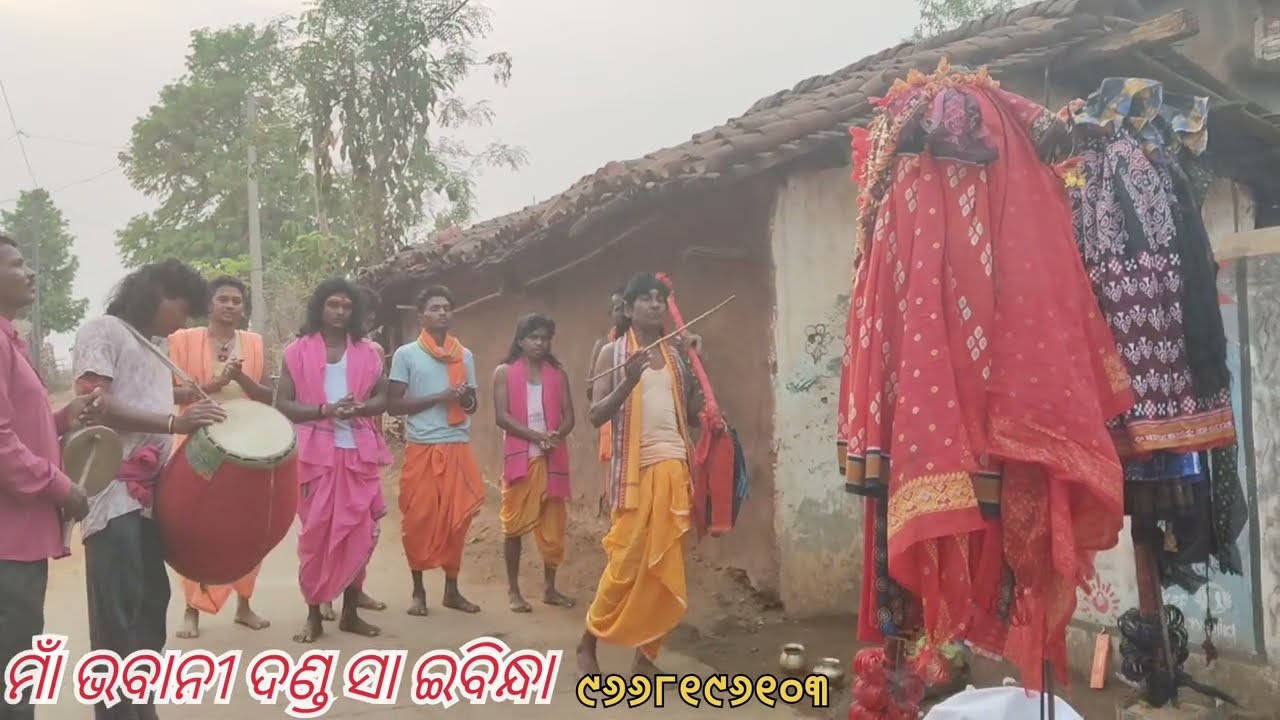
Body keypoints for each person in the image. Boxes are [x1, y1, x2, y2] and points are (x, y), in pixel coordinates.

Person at [71, 259, 226, 720]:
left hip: (149, 499)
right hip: (112, 492)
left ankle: (141, 707)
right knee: (117, 614)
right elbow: (94, 404)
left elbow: (149, 395)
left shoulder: (154, 346)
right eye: (183, 308)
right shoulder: (103, 330)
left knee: (150, 606)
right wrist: (176, 422)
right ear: (158, 293)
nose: (185, 321)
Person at [577, 272, 703, 676]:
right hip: (635, 473)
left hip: (675, 468)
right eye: (645, 299)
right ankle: (588, 643)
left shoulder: (675, 354)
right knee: (626, 565)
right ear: (628, 309)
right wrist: (628, 381)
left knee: (666, 568)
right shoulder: (611, 355)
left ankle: (646, 659)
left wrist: (698, 360)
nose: (654, 304)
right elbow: (596, 415)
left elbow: (694, 410)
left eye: (660, 298)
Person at [0, 234, 101, 719]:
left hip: (16, 542)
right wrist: (64, 487)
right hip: (7, 545)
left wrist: (62, 419)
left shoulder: (10, 340)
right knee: (13, 679)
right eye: (18, 265)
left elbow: (18, 425)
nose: (30, 272)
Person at [273, 278, 391, 644]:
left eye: (346, 306)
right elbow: (283, 403)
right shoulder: (297, 352)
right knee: (315, 537)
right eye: (332, 305)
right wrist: (325, 409)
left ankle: (351, 613)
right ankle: (314, 615)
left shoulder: (370, 353)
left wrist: (362, 407)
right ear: (320, 308)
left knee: (358, 534)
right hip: (314, 458)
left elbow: (383, 396)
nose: (339, 312)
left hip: (358, 454)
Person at [166, 276, 272, 639]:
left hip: (246, 445)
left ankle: (244, 605)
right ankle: (192, 608)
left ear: (243, 309)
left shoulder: (254, 344)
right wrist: (211, 385)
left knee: (248, 528)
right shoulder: (183, 341)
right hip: (198, 445)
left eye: (236, 301)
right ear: (209, 305)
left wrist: (240, 378)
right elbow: (172, 394)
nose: (230, 306)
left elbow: (266, 395)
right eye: (223, 299)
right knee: (194, 529)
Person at [388, 285, 484, 616]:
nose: (442, 312)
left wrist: (463, 397)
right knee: (418, 519)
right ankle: (418, 592)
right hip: (422, 447)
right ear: (421, 316)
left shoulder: (464, 355)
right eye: (435, 308)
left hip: (457, 444)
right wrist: (439, 397)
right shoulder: (406, 355)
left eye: (446, 307)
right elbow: (394, 404)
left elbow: (472, 404)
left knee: (458, 522)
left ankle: (452, 591)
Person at [492, 314, 576, 613]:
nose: (540, 343)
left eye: (544, 338)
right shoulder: (504, 372)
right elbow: (502, 416)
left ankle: (550, 589)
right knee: (513, 525)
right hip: (521, 459)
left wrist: (556, 435)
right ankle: (514, 590)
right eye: (534, 338)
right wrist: (535, 436)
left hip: (552, 456)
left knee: (554, 529)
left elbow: (569, 415)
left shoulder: (557, 373)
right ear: (520, 341)